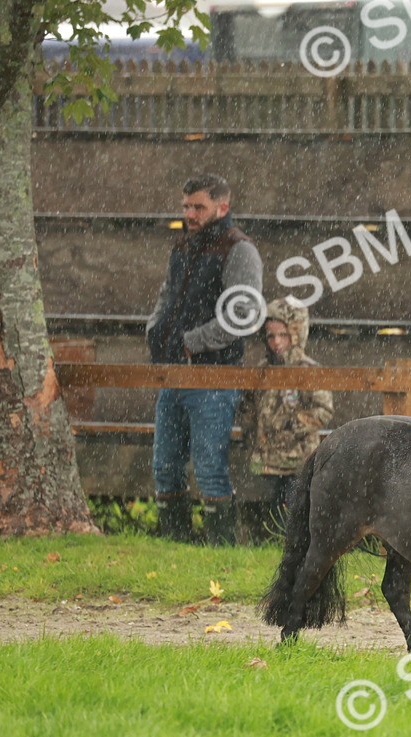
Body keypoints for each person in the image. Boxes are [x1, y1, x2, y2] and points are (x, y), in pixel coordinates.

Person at [147, 174, 263, 546]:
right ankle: (175, 545)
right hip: (175, 372)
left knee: (210, 468)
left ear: (222, 207)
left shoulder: (239, 249)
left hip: (215, 375)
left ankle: (221, 550)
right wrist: (157, 332)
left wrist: (189, 343)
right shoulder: (182, 247)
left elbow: (241, 316)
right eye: (185, 206)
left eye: (198, 206)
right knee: (165, 466)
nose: (189, 213)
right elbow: (165, 299)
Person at [238, 298, 334, 537]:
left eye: (282, 335)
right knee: (272, 505)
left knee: (296, 504)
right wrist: (251, 432)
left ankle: (294, 542)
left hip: (298, 456)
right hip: (267, 457)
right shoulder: (262, 369)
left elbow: (323, 410)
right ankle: (272, 541)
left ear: (297, 333)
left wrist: (291, 427)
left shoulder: (308, 370)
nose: (276, 342)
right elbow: (250, 406)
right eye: (270, 336)